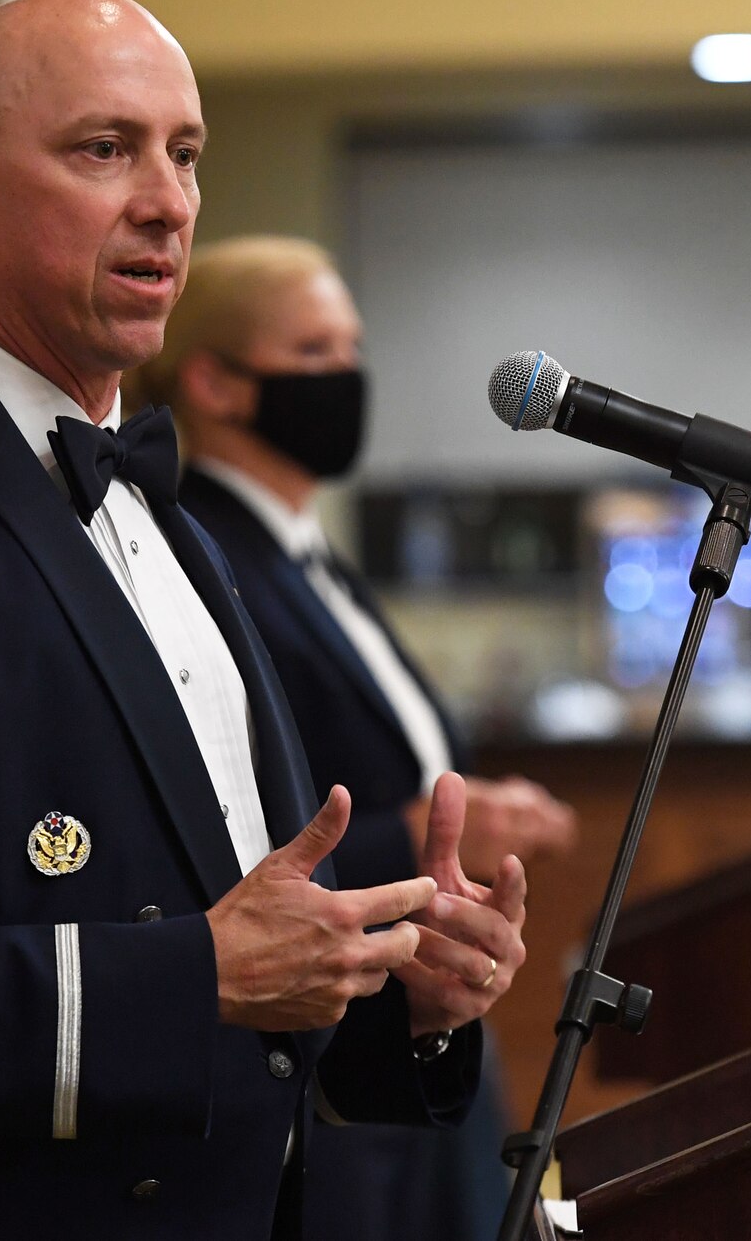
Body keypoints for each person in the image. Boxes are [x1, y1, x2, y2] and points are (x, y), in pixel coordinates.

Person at [0, 0, 529, 1240]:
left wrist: (409, 993)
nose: (167, 201)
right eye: (102, 148)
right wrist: (195, 976)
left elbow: (252, 965)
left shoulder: (169, 518)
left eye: (183, 154)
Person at [131, 236, 577, 1241]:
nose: (347, 375)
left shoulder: (303, 550)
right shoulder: (200, 546)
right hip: (328, 1030)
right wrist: (407, 829)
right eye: (315, 349)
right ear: (212, 379)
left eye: (352, 346)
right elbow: (245, 810)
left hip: (418, 1009)